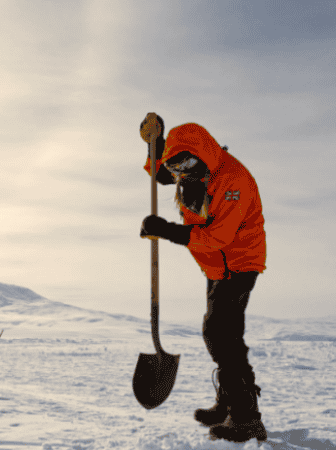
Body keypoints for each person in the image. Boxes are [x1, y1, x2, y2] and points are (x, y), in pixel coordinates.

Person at [138, 114, 267, 443]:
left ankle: (245, 419)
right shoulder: (191, 168)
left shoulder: (233, 181)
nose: (181, 174)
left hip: (237, 263)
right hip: (216, 267)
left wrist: (165, 230)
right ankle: (231, 403)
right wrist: (154, 148)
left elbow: (218, 237)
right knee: (222, 337)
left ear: (203, 156)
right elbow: (161, 173)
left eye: (187, 166)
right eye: (177, 167)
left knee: (221, 336)